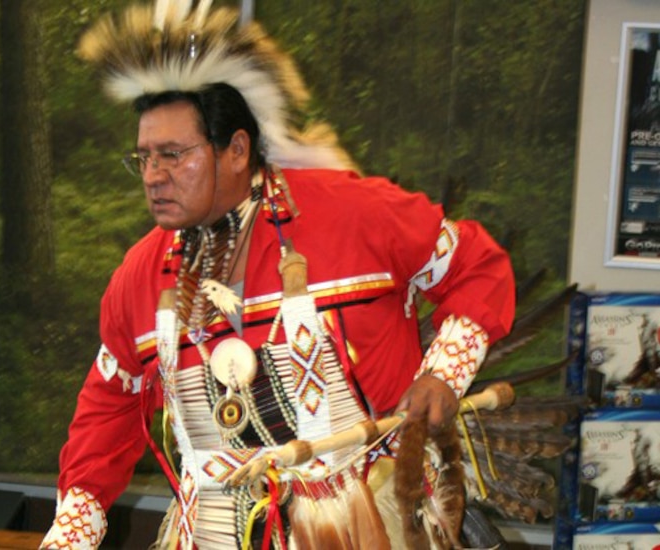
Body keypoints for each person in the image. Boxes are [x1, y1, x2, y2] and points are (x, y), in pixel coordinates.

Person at [41, 2, 515, 549]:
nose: (153, 176)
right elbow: (111, 404)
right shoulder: (143, 275)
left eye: (173, 155)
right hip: (214, 528)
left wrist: (443, 374)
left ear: (237, 149)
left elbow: (476, 266)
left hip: (364, 523)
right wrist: (72, 532)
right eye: (144, 157)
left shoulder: (353, 216)